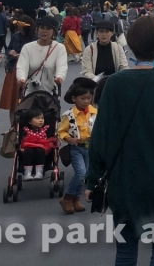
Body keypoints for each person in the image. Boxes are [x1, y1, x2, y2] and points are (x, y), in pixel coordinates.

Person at [85, 16, 154, 266]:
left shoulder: (114, 84)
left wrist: (92, 179)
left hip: (125, 177)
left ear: (130, 44)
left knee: (126, 246)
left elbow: (100, 135)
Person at [58, 77, 98, 213]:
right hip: (76, 148)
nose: (87, 101)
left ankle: (76, 199)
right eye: (83, 98)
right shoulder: (69, 115)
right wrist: (69, 139)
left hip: (90, 148)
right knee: (80, 173)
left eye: (89, 98)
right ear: (74, 99)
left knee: (86, 175)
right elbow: (61, 131)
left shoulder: (94, 113)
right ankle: (67, 197)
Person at [16, 16, 68, 95]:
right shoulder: (28, 47)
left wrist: (60, 77)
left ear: (53, 31)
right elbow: (22, 67)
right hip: (30, 93)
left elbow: (62, 66)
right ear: (37, 30)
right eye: (42, 27)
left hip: (51, 93)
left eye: (48, 28)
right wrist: (21, 78)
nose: (44, 31)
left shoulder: (59, 48)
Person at [0, 15, 35, 114]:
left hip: (28, 69)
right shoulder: (16, 36)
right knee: (13, 101)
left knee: (26, 99)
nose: (20, 29)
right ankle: (13, 126)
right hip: (14, 68)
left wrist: (23, 55)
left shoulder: (34, 38)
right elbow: (8, 49)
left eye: (21, 27)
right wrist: (10, 52)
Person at [18, 107, 57, 180]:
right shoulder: (26, 130)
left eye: (42, 118)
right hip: (29, 146)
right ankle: (27, 172)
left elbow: (50, 139)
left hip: (42, 146)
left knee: (40, 151)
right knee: (28, 151)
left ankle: (39, 172)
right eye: (38, 118)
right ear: (30, 121)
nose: (41, 120)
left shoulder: (45, 129)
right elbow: (23, 139)